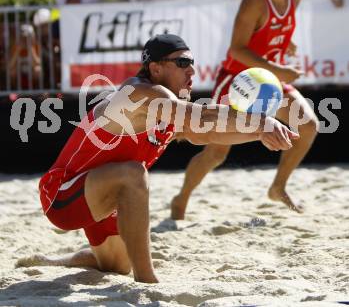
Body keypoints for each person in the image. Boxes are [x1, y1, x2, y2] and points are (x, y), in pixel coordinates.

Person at [31, 34, 297, 283]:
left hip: (101, 197)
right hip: (61, 196)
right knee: (134, 174)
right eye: (182, 63)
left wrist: (259, 132)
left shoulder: (168, 114)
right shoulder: (137, 94)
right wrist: (261, 122)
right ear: (155, 69)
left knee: (116, 267)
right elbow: (200, 115)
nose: (192, 71)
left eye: (192, 63)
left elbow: (207, 133)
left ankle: (65, 261)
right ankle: (148, 282)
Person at [171, 0, 319, 221]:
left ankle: (278, 187)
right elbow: (237, 49)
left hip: (270, 79)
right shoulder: (254, 1)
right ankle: (182, 199)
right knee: (216, 152)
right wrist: (278, 68)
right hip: (240, 80)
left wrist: (288, 43)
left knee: (308, 126)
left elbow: (279, 26)